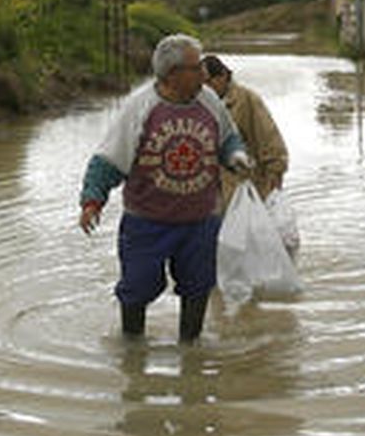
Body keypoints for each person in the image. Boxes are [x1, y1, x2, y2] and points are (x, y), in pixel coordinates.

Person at [79, 33, 251, 342]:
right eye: (195, 68)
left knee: (198, 286)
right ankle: (132, 351)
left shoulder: (209, 101)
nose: (203, 74)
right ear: (172, 74)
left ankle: (191, 352)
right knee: (137, 287)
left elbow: (228, 138)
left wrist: (235, 156)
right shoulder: (140, 107)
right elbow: (109, 159)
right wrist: (92, 200)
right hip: (147, 222)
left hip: (200, 221)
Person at [202, 54, 288, 210]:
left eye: (208, 82)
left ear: (223, 76)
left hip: (246, 188)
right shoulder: (201, 103)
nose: (205, 88)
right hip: (214, 194)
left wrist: (275, 178)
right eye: (201, 84)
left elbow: (270, 140)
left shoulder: (248, 100)